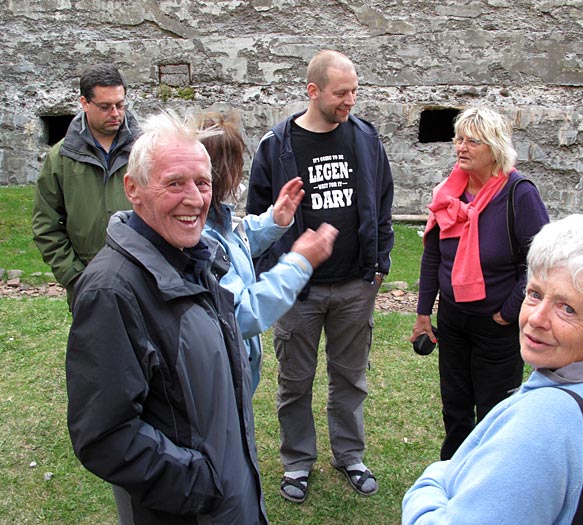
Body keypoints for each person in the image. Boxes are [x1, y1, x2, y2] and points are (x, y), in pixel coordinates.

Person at [66, 111, 267, 524]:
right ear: (133, 190)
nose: (194, 199)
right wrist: (202, 484)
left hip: (233, 499)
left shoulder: (197, 262)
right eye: (174, 183)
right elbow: (105, 434)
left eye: (202, 183)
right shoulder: (112, 290)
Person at [402, 214, 583, 525]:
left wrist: (431, 483)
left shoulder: (543, 423)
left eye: (567, 308)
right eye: (535, 294)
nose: (537, 318)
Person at [246, 49, 394, 503]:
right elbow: (258, 216)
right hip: (299, 290)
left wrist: (380, 263)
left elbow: (383, 201)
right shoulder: (277, 146)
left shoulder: (366, 138)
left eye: (354, 91)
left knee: (350, 377)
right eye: (342, 92)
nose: (351, 100)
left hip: (355, 285)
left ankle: (349, 454)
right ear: (313, 91)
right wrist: (279, 273)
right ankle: (297, 462)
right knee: (295, 380)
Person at [410, 106, 549, 460]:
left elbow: (540, 261)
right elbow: (433, 255)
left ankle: (491, 478)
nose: (461, 147)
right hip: (454, 321)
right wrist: (424, 312)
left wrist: (508, 310)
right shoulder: (449, 193)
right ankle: (453, 473)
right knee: (455, 408)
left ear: (495, 147)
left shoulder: (519, 194)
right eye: (459, 139)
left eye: (473, 141)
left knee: (494, 412)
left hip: (496, 325)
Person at [196, 111, 337, 392]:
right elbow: (241, 314)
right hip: (217, 379)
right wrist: (299, 263)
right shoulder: (200, 239)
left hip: (230, 371)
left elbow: (236, 238)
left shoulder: (212, 220)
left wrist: (274, 220)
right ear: (224, 171)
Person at [32, 63, 140, 305]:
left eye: (120, 105)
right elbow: (46, 227)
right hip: (89, 285)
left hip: (145, 279)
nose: (115, 113)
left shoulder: (147, 151)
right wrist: (76, 277)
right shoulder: (61, 158)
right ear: (84, 103)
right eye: (105, 107)